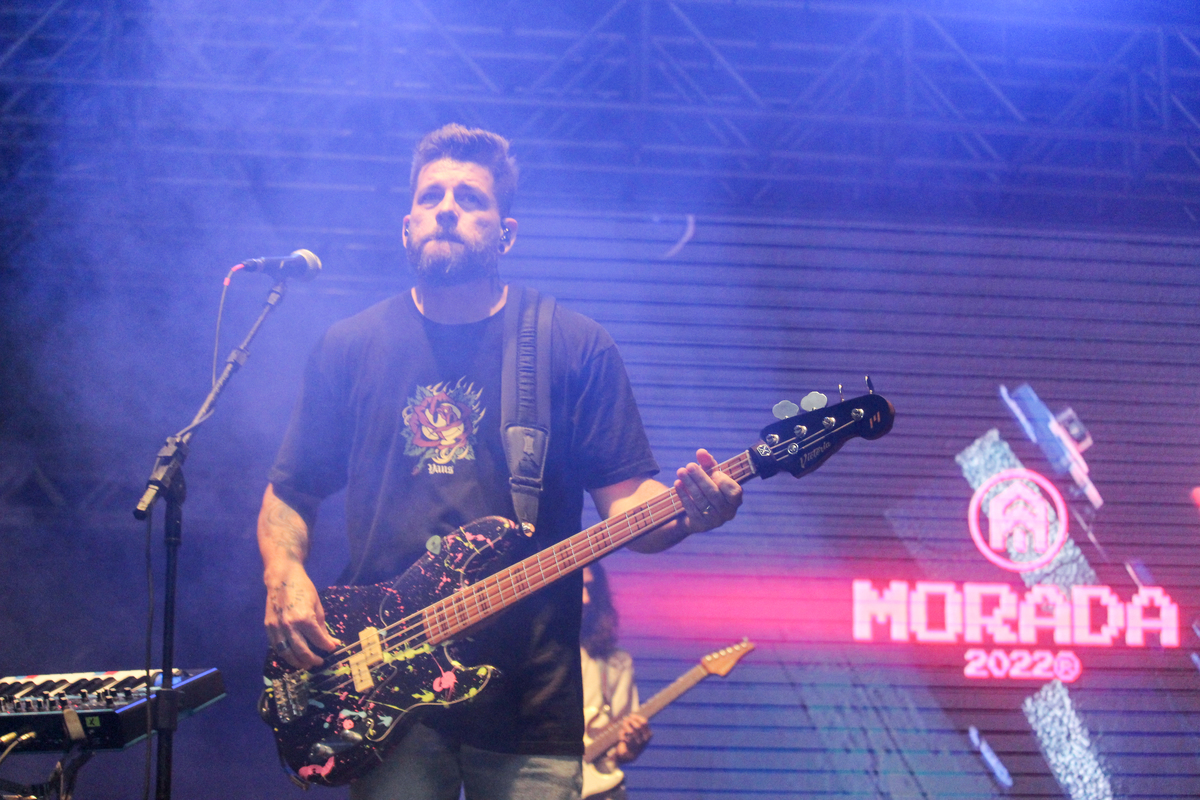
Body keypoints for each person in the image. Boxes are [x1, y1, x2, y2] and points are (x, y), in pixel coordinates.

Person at [257, 123, 742, 800]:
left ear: (506, 234)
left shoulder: (573, 344)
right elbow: (290, 491)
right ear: (406, 227)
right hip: (384, 696)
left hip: (530, 703)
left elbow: (629, 506)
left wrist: (691, 514)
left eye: (470, 198)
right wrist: (283, 573)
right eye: (430, 196)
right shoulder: (350, 346)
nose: (446, 209)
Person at [580, 563, 649, 800]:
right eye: (577, 588)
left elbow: (623, 751)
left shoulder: (617, 662)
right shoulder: (530, 658)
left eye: (591, 588)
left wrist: (630, 746)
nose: (586, 599)